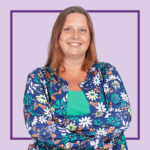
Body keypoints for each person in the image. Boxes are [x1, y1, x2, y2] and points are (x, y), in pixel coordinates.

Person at [23, 6, 132, 150]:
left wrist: (61, 123)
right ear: (58, 35)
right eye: (68, 29)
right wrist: (92, 144)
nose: (75, 35)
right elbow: (38, 127)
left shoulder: (107, 72)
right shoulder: (38, 78)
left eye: (82, 30)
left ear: (90, 37)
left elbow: (121, 118)